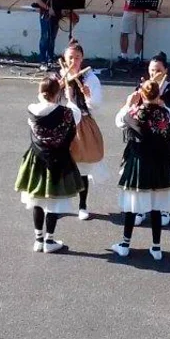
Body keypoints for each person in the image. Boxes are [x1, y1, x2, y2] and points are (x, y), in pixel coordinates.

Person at [112, 79, 170, 261]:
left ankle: (125, 245)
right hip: (159, 164)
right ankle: (156, 248)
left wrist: (128, 103)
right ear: (158, 95)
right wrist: (162, 104)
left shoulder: (134, 113)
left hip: (139, 163)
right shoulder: (164, 113)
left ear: (142, 94)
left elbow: (119, 121)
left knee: (131, 206)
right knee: (157, 207)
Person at [14, 76, 84, 254]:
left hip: (37, 158)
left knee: (37, 199)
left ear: (40, 92)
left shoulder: (32, 110)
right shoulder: (67, 112)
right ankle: (49, 240)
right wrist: (69, 97)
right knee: (53, 201)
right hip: (58, 159)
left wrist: (52, 91)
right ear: (57, 93)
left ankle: (38, 239)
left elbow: (43, 105)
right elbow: (76, 118)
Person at [59, 41, 106, 221]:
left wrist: (87, 96)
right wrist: (57, 88)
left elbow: (96, 106)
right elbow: (47, 98)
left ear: (82, 59)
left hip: (82, 124)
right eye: (70, 57)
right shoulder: (59, 76)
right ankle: (58, 203)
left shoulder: (90, 78)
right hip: (61, 123)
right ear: (64, 58)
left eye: (77, 58)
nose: (73, 61)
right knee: (59, 164)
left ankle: (82, 205)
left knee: (82, 166)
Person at [135, 52, 170, 227]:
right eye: (151, 70)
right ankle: (141, 209)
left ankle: (163, 209)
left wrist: (162, 106)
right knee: (143, 174)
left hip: (163, 138)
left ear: (165, 71)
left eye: (158, 70)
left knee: (162, 174)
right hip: (144, 139)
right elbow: (133, 111)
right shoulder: (143, 86)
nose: (154, 74)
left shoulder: (169, 89)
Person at [117, 0, 157, 64]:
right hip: (129, 9)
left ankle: (137, 56)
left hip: (143, 10)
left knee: (140, 34)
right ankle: (123, 56)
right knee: (124, 32)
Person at [34, 0, 66, 68]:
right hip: (46, 15)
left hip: (56, 14)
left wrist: (62, 10)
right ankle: (43, 60)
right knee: (45, 37)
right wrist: (48, 8)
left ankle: (50, 59)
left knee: (52, 38)